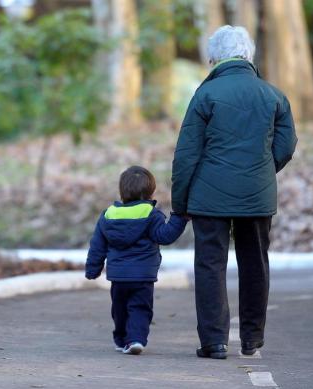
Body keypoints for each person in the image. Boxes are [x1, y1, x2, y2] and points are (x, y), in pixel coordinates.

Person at [171, 25, 297, 360]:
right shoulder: (273, 95)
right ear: (249, 56)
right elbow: (286, 145)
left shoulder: (205, 95)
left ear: (214, 58)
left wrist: (180, 203)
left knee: (210, 264)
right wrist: (260, 172)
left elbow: (186, 155)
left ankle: (214, 341)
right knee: (255, 263)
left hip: (208, 197)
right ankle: (252, 338)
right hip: (257, 195)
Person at [85, 165, 188, 355]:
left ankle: (121, 339)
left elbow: (97, 246)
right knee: (140, 308)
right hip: (143, 275)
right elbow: (164, 236)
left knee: (120, 309)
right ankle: (136, 340)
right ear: (150, 191)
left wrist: (93, 269)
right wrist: (179, 218)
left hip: (118, 276)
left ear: (122, 191)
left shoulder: (108, 215)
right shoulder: (151, 214)